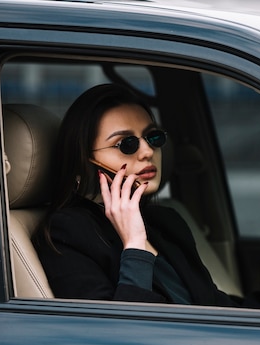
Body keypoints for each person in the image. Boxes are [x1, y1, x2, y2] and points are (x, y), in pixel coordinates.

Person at [33, 83, 237, 306]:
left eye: (153, 137)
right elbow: (117, 332)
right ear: (84, 162)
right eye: (126, 144)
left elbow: (213, 303)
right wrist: (135, 245)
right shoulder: (66, 233)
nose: (148, 152)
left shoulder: (168, 221)